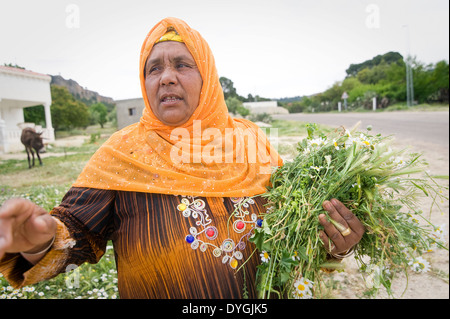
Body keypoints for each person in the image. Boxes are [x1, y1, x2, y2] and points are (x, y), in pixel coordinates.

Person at [0, 17, 364, 299]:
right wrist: (38, 240)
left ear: (207, 77)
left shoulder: (253, 143)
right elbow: (76, 232)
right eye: (153, 68)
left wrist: (333, 243)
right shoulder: (121, 153)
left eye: (182, 65)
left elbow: (295, 234)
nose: (167, 78)